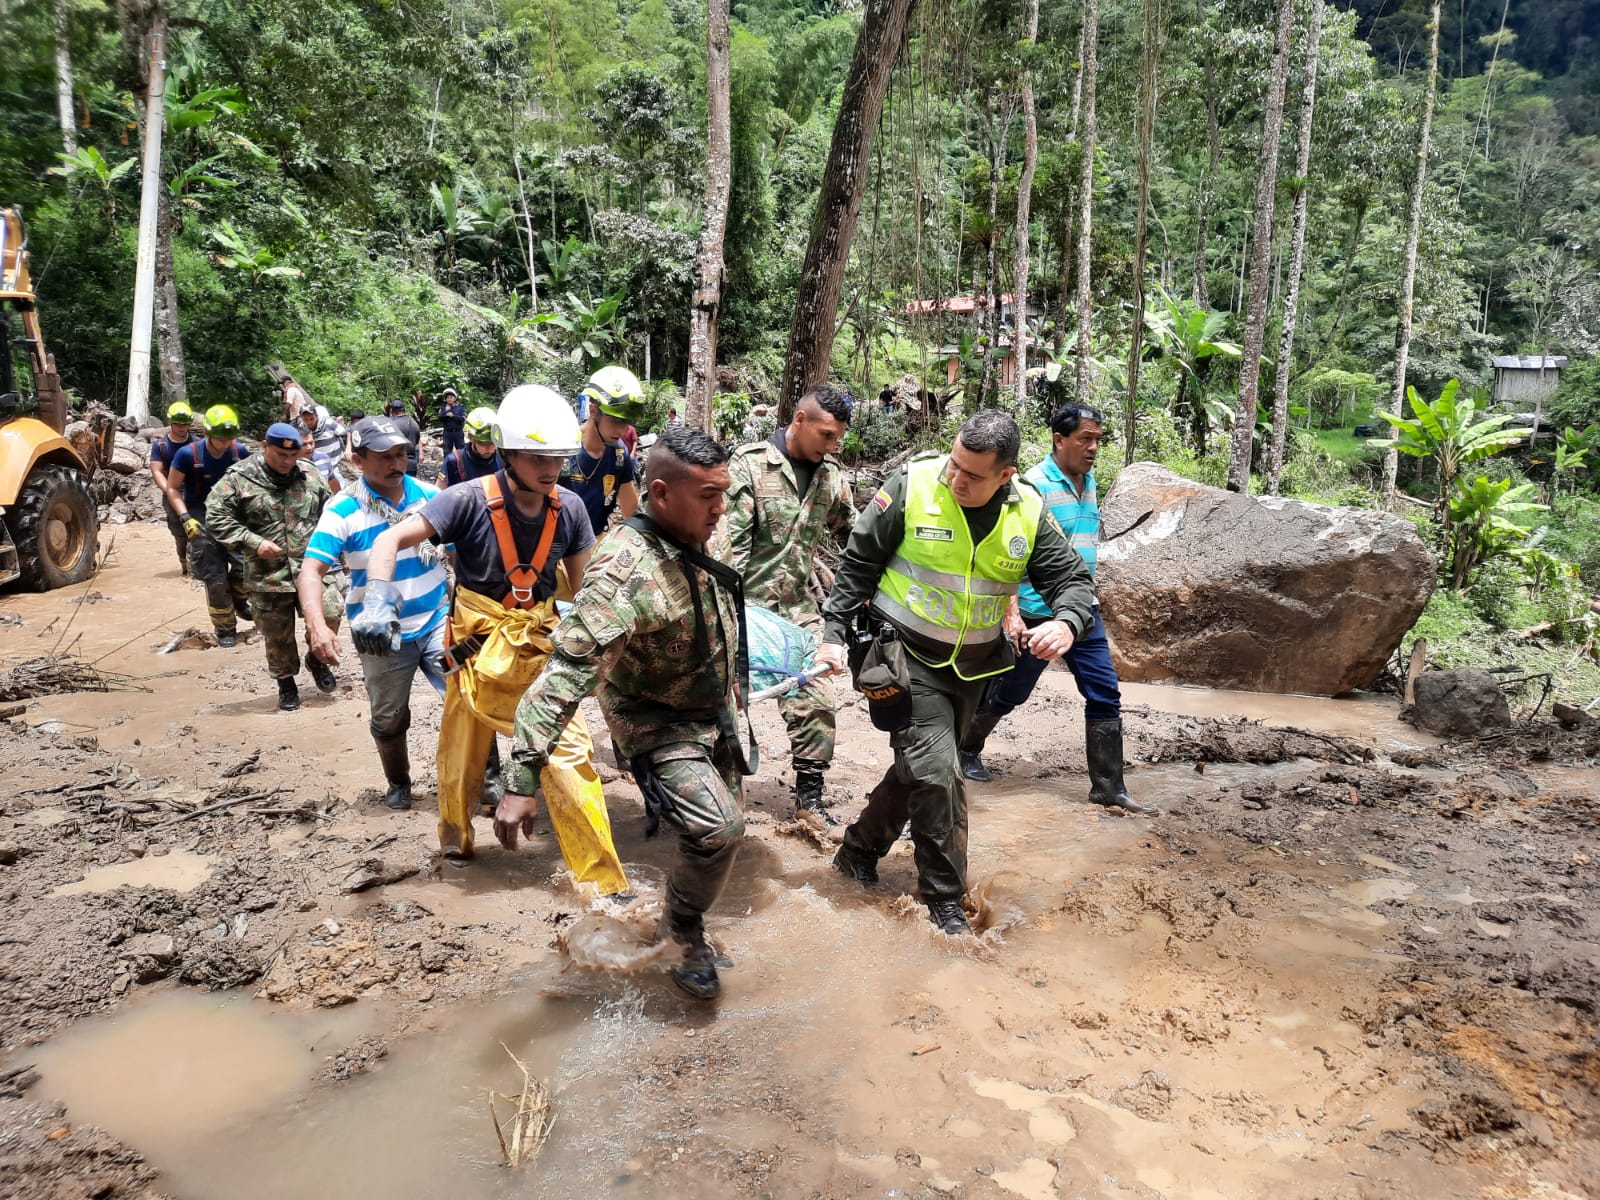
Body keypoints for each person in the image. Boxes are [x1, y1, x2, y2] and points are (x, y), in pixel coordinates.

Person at [818, 410, 1097, 935]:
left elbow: (1072, 582)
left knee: (920, 769)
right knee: (938, 771)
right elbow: (858, 563)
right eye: (955, 464)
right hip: (899, 659)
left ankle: (857, 852)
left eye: (972, 474)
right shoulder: (914, 483)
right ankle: (945, 903)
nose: (956, 478)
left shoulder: (1029, 511)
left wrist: (1067, 622)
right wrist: (832, 633)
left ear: (1005, 476)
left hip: (971, 668)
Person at [353, 385, 630, 897]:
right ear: (508, 453)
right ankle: (455, 845)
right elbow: (390, 539)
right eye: (537, 457)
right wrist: (376, 598)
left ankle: (605, 886)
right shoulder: (463, 500)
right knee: (462, 756)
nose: (550, 468)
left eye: (558, 458)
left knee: (569, 756)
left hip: (539, 644)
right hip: (475, 651)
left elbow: (587, 584)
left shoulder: (568, 508)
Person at [510, 424, 750, 1001]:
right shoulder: (623, 573)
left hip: (711, 709)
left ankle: (681, 914)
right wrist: (521, 777)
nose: (722, 510)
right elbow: (564, 675)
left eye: (725, 493)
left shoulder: (694, 526)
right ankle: (681, 930)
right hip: (656, 720)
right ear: (661, 494)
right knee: (720, 828)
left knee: (717, 838)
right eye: (709, 497)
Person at [958, 403, 1147, 813]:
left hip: (1081, 612)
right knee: (1011, 692)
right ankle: (966, 749)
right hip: (1035, 610)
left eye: (1098, 439)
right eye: (1085, 439)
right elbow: (1008, 548)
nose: (1094, 447)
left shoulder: (1090, 481)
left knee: (1104, 691)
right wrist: (1013, 611)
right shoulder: (1033, 485)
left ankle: (1108, 787)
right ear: (1059, 440)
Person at [716, 383, 856, 820]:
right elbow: (727, 551)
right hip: (743, 609)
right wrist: (729, 620)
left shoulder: (831, 477)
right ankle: (714, 799)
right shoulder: (750, 467)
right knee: (724, 707)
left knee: (817, 700)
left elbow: (854, 538)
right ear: (799, 420)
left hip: (798, 611)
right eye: (826, 436)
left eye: (838, 439)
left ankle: (809, 800)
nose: (832, 446)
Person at [300, 417, 448, 810]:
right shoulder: (343, 509)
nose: (395, 463)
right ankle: (399, 782)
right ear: (358, 459)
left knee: (468, 697)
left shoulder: (432, 497)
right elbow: (311, 570)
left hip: (437, 618)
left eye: (401, 454)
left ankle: (486, 780)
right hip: (379, 632)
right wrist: (318, 628)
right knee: (388, 715)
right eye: (383, 457)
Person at [206, 423, 341, 713]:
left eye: (292, 456)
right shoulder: (239, 478)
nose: (287, 461)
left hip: (311, 568)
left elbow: (330, 513)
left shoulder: (310, 474)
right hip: (268, 573)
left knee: (330, 612)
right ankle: (286, 684)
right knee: (277, 635)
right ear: (265, 446)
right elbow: (216, 516)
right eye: (280, 454)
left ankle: (316, 661)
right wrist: (252, 541)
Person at [163, 404, 252, 647]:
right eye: (220, 438)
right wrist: (185, 518)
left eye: (228, 438)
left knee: (248, 565)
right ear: (207, 433)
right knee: (215, 576)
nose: (224, 443)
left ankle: (240, 598)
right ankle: (225, 628)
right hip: (199, 514)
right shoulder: (187, 455)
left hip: (233, 515)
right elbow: (172, 488)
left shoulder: (239, 452)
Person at [563, 365, 643, 535]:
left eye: (626, 422)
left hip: (595, 539)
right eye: (615, 420)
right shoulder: (563, 448)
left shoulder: (619, 456)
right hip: (559, 545)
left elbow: (632, 512)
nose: (622, 430)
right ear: (594, 410)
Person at [148, 402, 201, 575]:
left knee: (197, 531)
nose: (181, 427)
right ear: (171, 422)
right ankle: (184, 564)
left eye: (184, 423)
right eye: (178, 423)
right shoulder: (161, 446)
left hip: (195, 492)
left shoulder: (197, 444)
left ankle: (196, 571)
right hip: (171, 493)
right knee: (179, 533)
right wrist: (170, 490)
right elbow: (156, 471)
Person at [294, 398, 348, 491]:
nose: (309, 422)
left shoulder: (329, 423)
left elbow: (345, 433)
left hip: (337, 464)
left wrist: (347, 450)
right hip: (317, 464)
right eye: (306, 419)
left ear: (317, 416)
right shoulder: (302, 430)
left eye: (312, 418)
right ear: (301, 418)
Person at [439, 406, 502, 487]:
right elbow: (439, 491)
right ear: (470, 437)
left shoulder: (503, 458)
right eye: (482, 443)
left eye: (493, 442)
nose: (489, 447)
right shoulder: (454, 461)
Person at [384, 397, 423, 477]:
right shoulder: (414, 423)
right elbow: (417, 442)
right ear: (404, 409)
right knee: (409, 488)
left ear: (391, 411)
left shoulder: (392, 424)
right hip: (412, 464)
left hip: (397, 464)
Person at [439, 387, 467, 456]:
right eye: (447, 397)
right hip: (447, 433)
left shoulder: (460, 407)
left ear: (455, 398)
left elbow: (463, 419)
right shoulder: (443, 407)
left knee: (461, 452)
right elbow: (439, 418)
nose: (449, 399)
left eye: (451, 397)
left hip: (458, 433)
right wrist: (446, 411)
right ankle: (447, 466)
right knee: (447, 452)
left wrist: (453, 416)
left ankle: (462, 466)